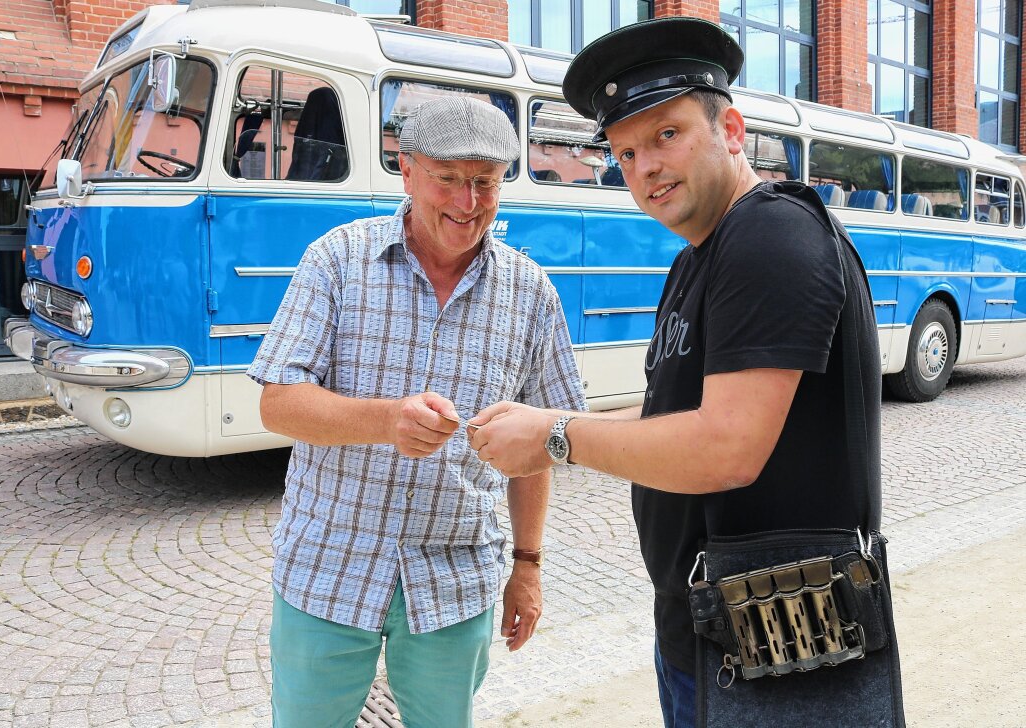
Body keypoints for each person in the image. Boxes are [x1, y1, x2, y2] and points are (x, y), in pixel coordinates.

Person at [468, 17, 892, 727]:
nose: (646, 168)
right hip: (713, 635)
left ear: (730, 130)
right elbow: (676, 422)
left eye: (667, 135)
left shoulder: (770, 234)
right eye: (626, 152)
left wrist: (556, 436)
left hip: (785, 649)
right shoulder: (700, 257)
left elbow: (726, 447)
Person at [248, 96, 586, 728]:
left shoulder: (531, 292)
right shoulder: (337, 260)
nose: (467, 202)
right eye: (449, 179)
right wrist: (386, 421)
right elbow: (278, 402)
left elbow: (540, 443)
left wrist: (528, 568)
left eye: (484, 183)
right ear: (406, 172)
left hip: (456, 579)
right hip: (328, 566)